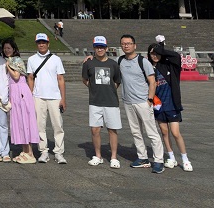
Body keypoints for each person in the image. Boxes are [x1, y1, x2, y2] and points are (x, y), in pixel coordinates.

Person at [118, 35, 164, 174]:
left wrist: (149, 99)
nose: (126, 46)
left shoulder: (143, 61)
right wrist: (90, 58)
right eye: (123, 44)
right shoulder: (120, 60)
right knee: (136, 131)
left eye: (129, 43)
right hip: (128, 102)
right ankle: (142, 157)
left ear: (134, 45)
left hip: (143, 101)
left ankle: (158, 160)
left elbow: (152, 81)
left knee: (151, 132)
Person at [148, 41, 192, 171]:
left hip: (172, 104)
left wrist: (161, 49)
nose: (155, 56)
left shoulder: (169, 66)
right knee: (164, 132)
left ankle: (185, 159)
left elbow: (176, 56)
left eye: (157, 53)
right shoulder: (149, 68)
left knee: (175, 133)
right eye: (152, 53)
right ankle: (171, 157)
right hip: (158, 105)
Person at [81, 36, 122, 168]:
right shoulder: (88, 63)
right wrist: (94, 89)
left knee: (112, 129)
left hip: (111, 101)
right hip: (95, 101)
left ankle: (114, 157)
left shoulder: (113, 64)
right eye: (97, 47)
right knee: (95, 130)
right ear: (94, 48)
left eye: (102, 47)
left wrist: (108, 90)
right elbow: (85, 79)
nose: (100, 49)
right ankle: (98, 155)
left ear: (106, 48)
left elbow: (117, 81)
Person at [27, 33, 67, 164]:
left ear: (48, 44)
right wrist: (31, 95)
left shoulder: (56, 59)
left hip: (55, 96)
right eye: (39, 42)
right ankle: (43, 151)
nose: (41, 44)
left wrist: (63, 98)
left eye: (43, 42)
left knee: (58, 125)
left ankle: (59, 152)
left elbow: (60, 79)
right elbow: (30, 78)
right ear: (36, 44)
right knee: (39, 126)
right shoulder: (32, 59)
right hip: (38, 97)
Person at [3, 40, 37, 164]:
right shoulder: (9, 60)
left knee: (24, 121)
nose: (7, 50)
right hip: (14, 92)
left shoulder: (16, 60)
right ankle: (25, 151)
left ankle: (30, 153)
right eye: (5, 48)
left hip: (20, 91)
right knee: (19, 122)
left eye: (9, 48)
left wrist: (8, 66)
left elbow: (16, 76)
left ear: (14, 49)